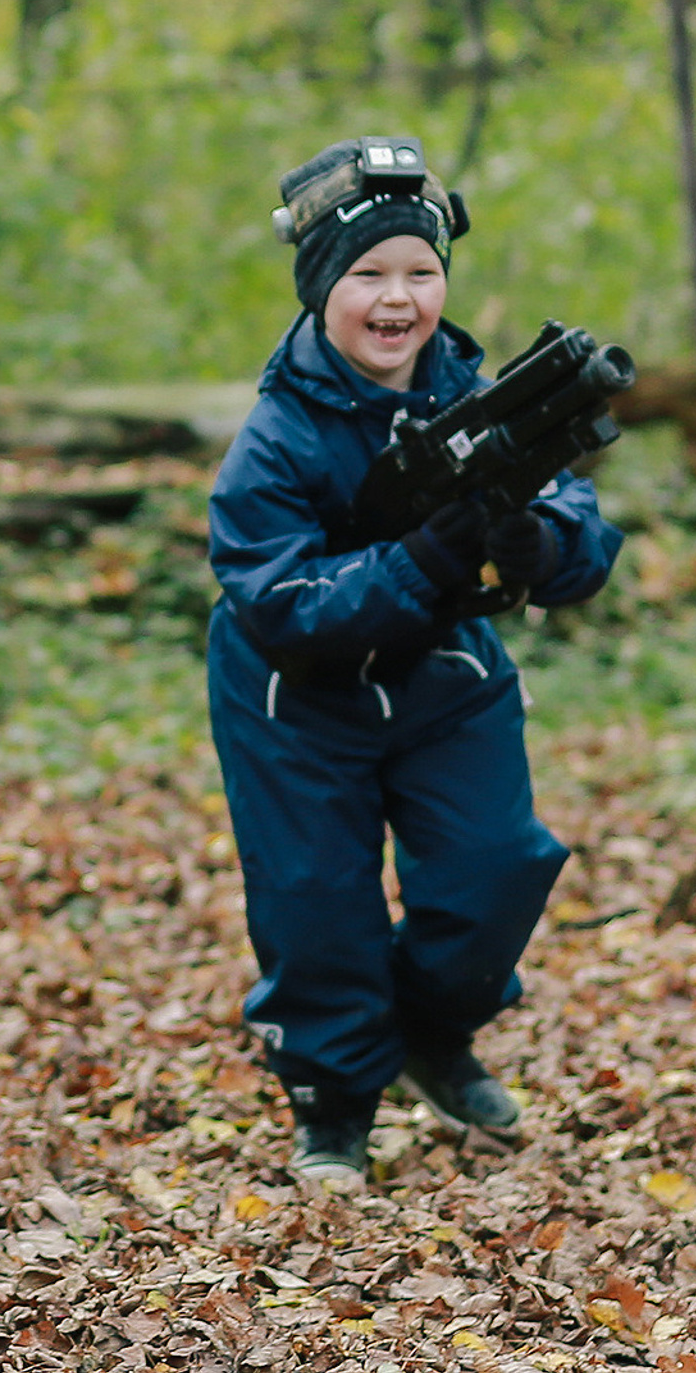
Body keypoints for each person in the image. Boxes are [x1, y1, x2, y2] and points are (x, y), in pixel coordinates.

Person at [205, 137, 621, 1193]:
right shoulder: (275, 437)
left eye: (420, 273)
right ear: (319, 290)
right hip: (292, 699)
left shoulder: (475, 396)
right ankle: (335, 1103)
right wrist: (416, 559)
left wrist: (543, 544)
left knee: (497, 867)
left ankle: (435, 1033)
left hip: (442, 676)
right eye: (367, 276)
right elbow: (284, 603)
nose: (397, 301)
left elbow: (580, 526)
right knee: (315, 900)